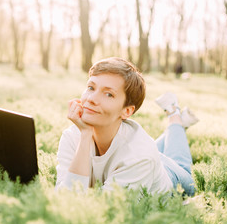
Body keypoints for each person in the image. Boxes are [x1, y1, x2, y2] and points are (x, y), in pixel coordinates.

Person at [55, 57, 198, 196]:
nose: (91, 99)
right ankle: (173, 128)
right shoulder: (72, 136)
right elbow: (66, 200)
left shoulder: (139, 157)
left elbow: (102, 211)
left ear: (127, 111)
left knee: (185, 173)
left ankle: (174, 117)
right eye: (91, 87)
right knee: (140, 150)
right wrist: (85, 136)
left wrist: (86, 134)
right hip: (137, 151)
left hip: (167, 177)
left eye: (108, 94)